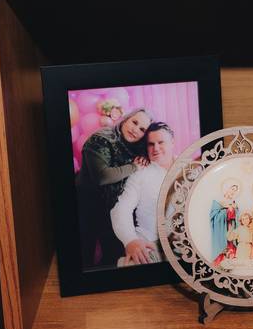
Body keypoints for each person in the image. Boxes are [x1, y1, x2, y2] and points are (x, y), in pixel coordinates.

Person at [76, 108, 152, 266]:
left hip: (112, 209)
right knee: (84, 256)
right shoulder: (101, 138)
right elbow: (102, 177)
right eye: (134, 122)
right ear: (125, 119)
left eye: (142, 129)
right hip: (86, 206)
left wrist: (145, 157)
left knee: (114, 258)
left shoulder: (135, 147)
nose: (135, 130)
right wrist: (134, 167)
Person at [110, 122, 177, 265]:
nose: (155, 148)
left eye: (160, 142)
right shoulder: (140, 174)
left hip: (187, 243)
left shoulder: (191, 167)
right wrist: (130, 240)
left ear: (172, 142)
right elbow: (121, 209)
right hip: (151, 244)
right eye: (151, 144)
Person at [210, 179, 240, 265]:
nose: (233, 192)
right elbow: (213, 217)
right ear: (227, 188)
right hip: (221, 229)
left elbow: (237, 217)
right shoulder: (218, 201)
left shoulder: (234, 203)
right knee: (223, 251)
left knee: (231, 247)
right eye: (232, 189)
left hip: (231, 228)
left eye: (235, 190)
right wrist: (226, 211)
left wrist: (233, 210)